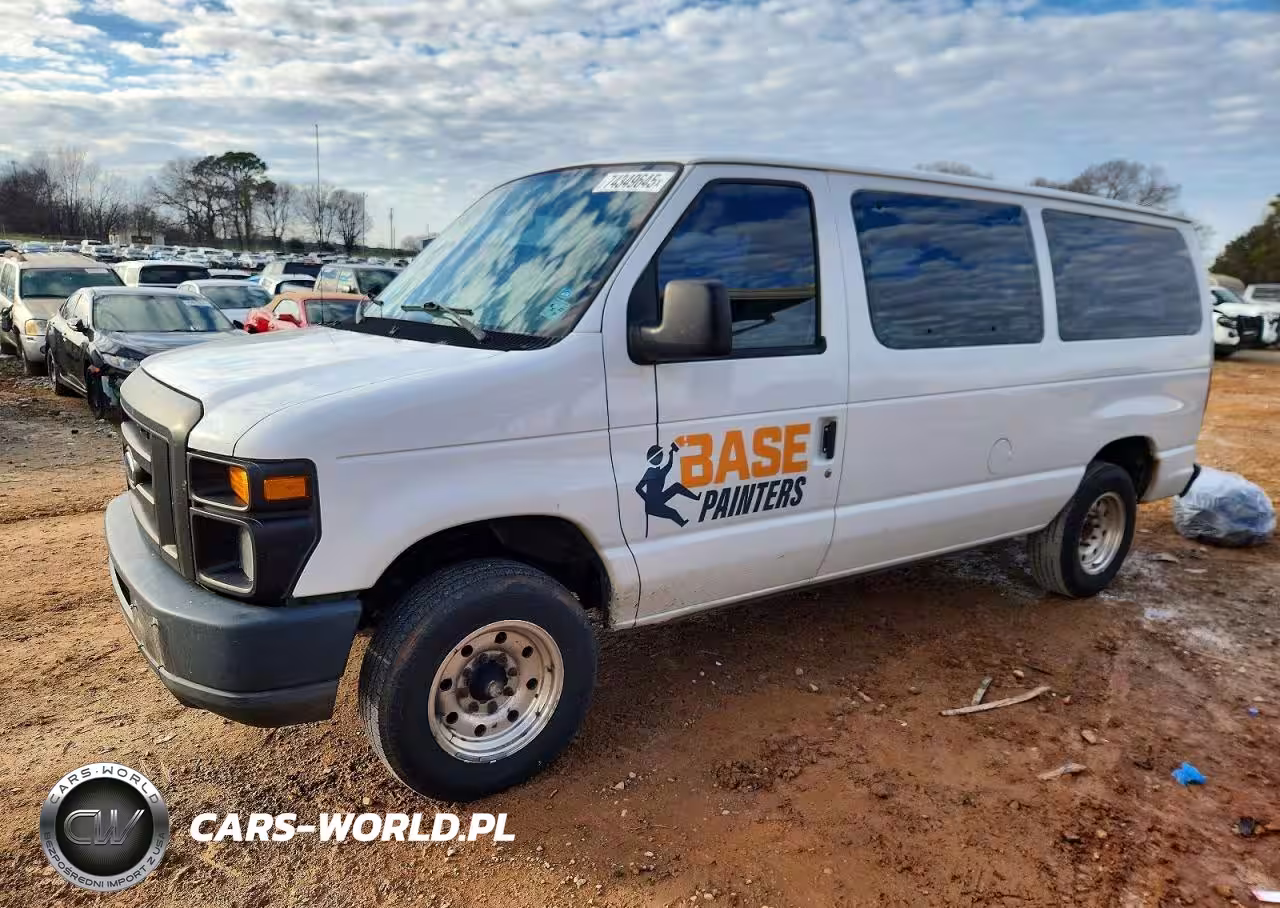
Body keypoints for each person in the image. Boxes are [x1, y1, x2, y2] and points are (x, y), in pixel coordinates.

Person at [635, 441, 700, 527]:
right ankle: (682, 523)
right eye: (660, 454)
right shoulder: (650, 472)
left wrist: (671, 454)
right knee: (673, 512)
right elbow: (638, 488)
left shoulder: (661, 472)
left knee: (676, 486)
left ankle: (696, 497)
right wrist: (648, 499)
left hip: (659, 498)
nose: (662, 456)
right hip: (652, 506)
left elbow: (669, 465)